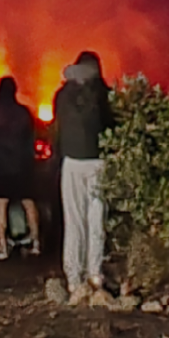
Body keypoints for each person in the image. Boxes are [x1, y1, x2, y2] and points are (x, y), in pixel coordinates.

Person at [53, 51, 114, 307]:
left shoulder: (62, 94)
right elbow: (112, 124)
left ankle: (73, 279)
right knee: (96, 218)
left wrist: (54, 158)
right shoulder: (103, 92)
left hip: (72, 161)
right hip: (98, 161)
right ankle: (95, 275)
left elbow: (56, 127)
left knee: (74, 220)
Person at [0, 76, 39, 260]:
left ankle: (2, 248)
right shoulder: (24, 113)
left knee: (1, 208)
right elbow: (31, 141)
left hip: (1, 169)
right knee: (29, 203)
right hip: (22, 167)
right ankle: (36, 244)